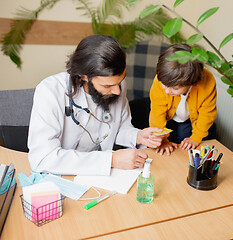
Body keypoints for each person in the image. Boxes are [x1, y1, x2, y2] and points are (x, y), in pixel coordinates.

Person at [28, 34, 163, 175]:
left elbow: (118, 129)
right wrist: (110, 160)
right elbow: (43, 158)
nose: (117, 91)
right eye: (107, 86)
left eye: (120, 81)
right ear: (84, 76)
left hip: (102, 176)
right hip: (63, 175)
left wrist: (138, 136)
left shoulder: (117, 86)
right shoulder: (50, 91)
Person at [149, 43, 217, 156]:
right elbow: (157, 112)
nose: (167, 91)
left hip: (191, 121)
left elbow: (207, 113)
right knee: (160, 148)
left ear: (193, 82)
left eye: (175, 88)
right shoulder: (160, 79)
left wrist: (196, 138)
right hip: (168, 118)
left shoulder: (207, 82)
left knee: (186, 149)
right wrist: (163, 140)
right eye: (164, 85)